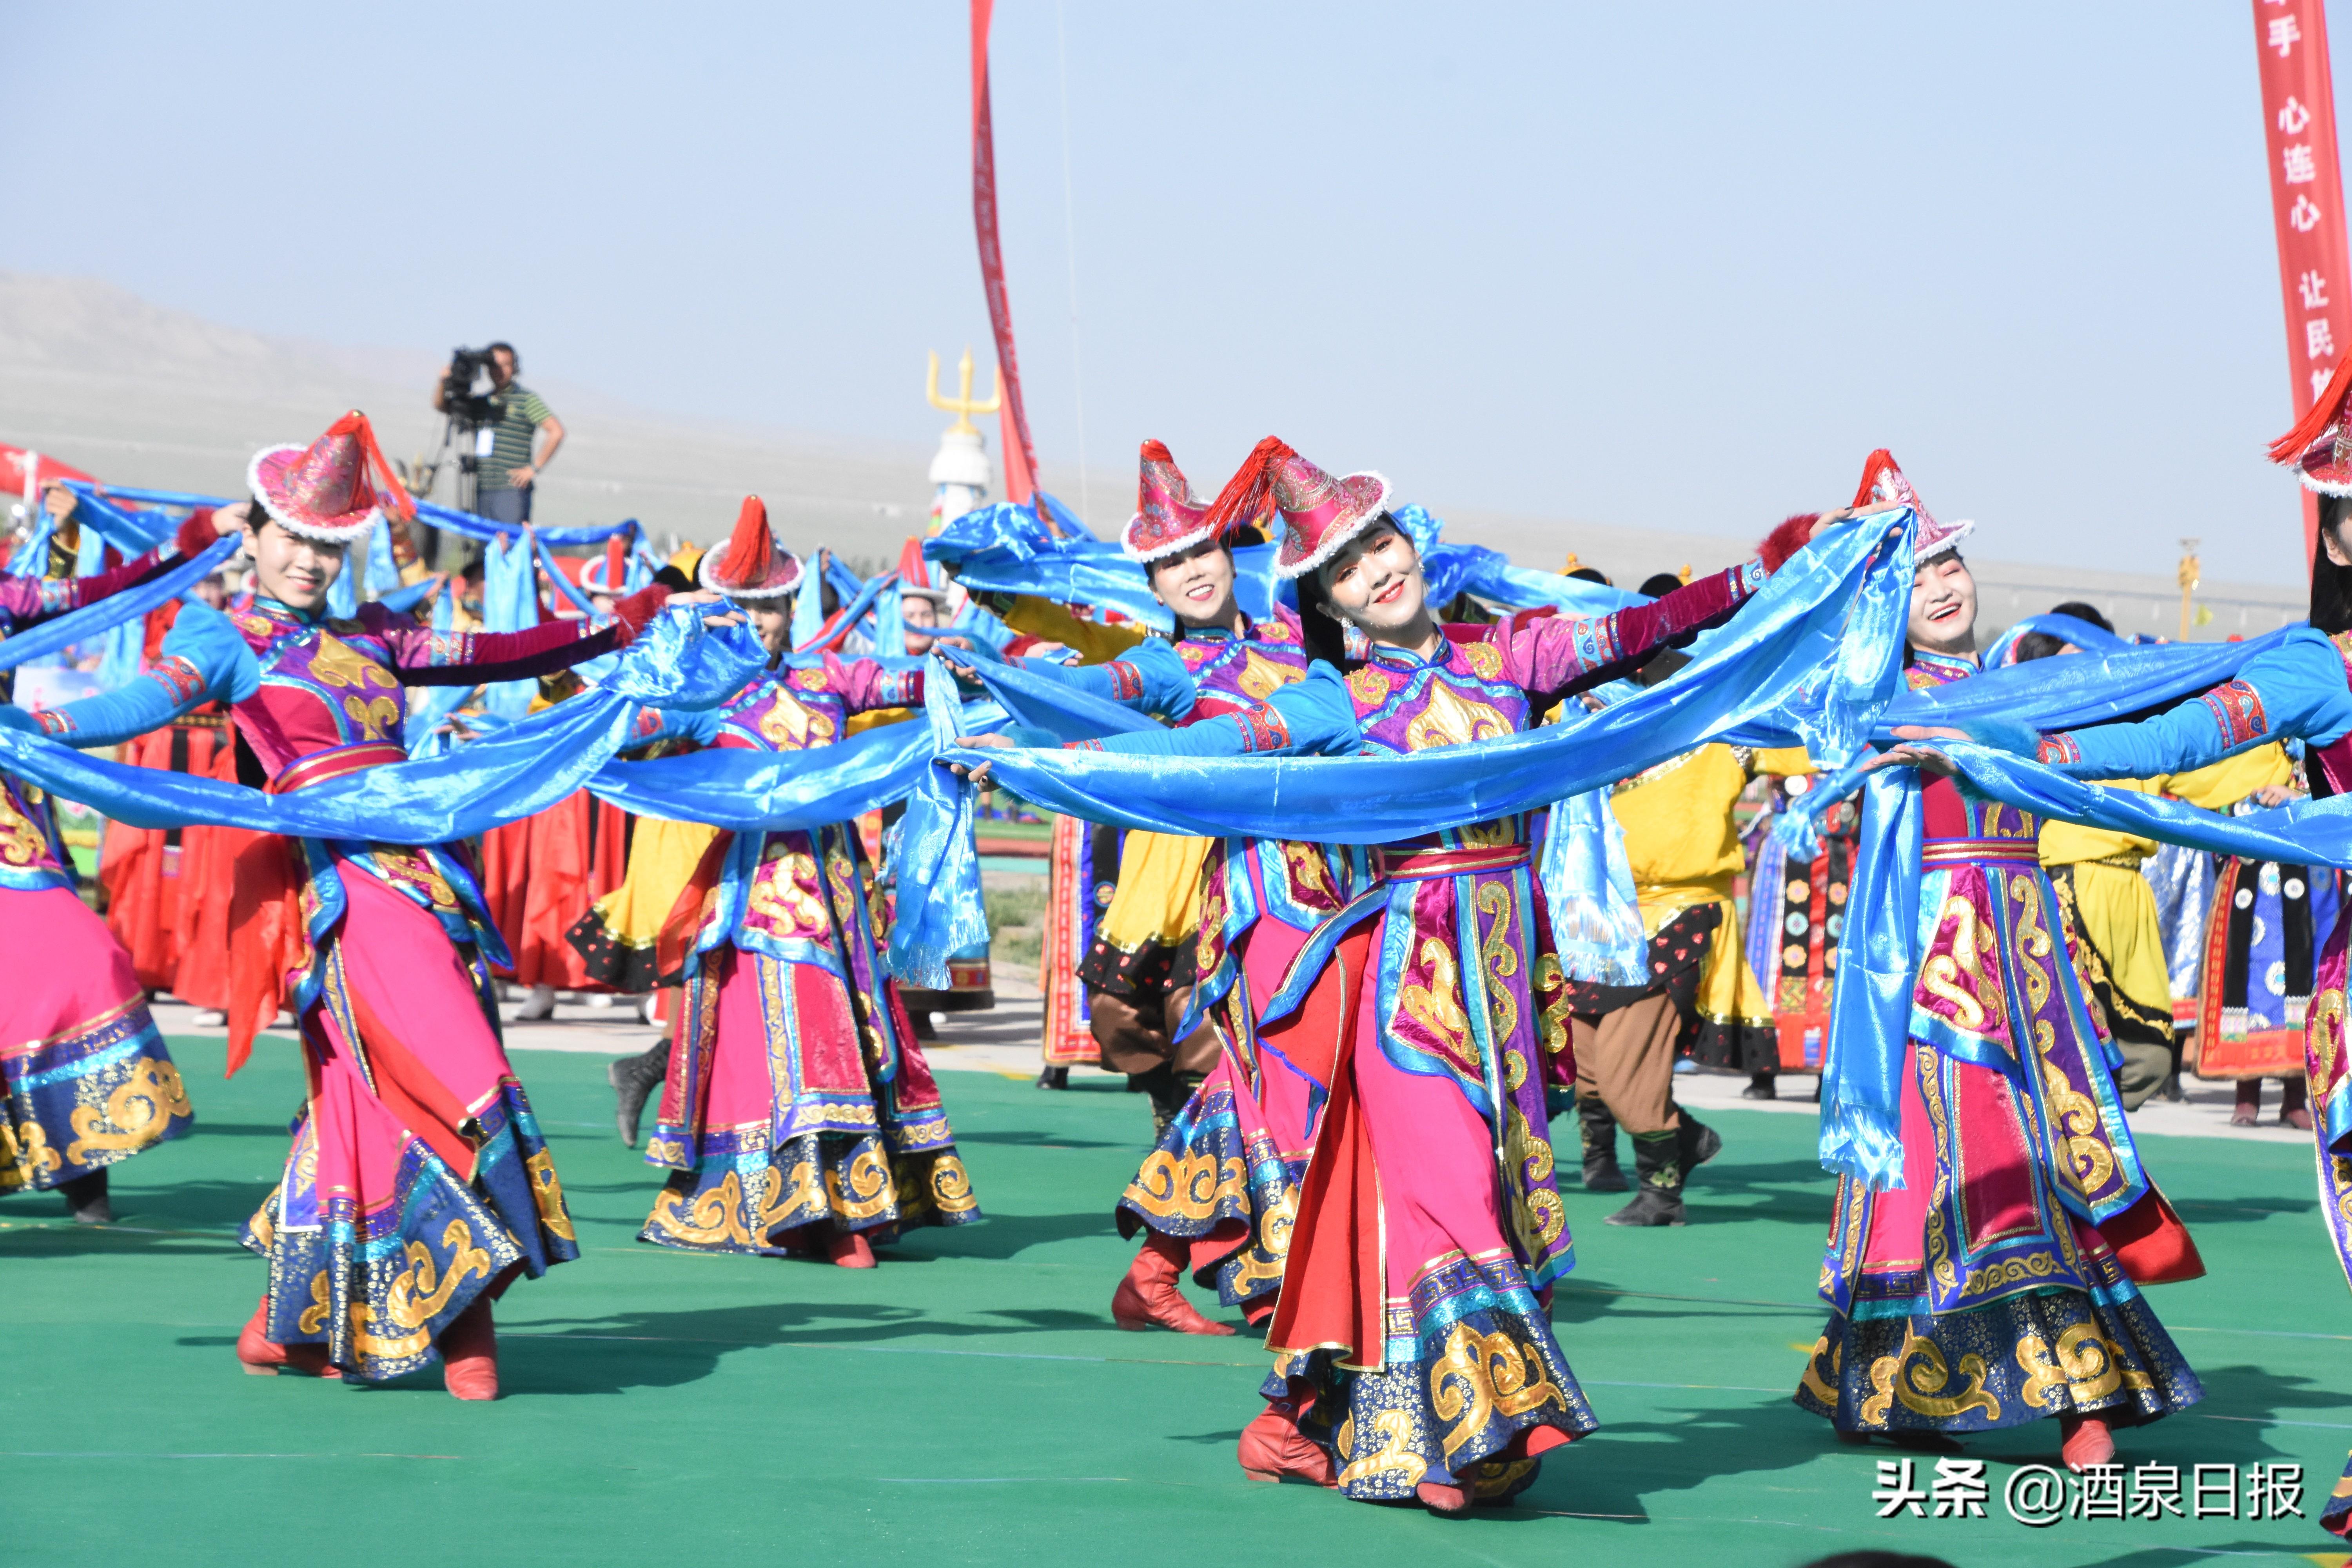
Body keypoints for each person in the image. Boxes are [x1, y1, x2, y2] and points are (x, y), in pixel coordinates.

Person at [955, 439, 1813, 1514]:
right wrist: (1031, 746)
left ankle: (1296, 1421)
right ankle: (1463, 1442)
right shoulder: (1334, 701)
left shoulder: (1510, 659)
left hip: (1506, 997)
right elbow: (1197, 755)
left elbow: (1638, 633)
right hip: (1409, 990)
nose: (1379, 568)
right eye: (1350, 566)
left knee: (1454, 1205)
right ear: (1331, 603)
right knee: (1453, 1209)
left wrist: (1761, 578)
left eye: (1385, 543)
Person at [5, 411, 686, 1396]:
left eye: (327, 545)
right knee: (460, 1071)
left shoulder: (376, 635)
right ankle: (461, 1325)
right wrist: (31, 727)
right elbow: (137, 706)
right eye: (291, 538)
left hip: (429, 882)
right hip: (341, 893)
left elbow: (498, 652)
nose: (309, 560)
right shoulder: (225, 634)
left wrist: (616, 623)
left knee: (363, 1100)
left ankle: (299, 1325)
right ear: (251, 535)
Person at [1798, 452, 2203, 1473]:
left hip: (2031, 965)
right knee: (1961, 1166)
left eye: (1949, 565)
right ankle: (2055, 1400)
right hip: (1924, 968)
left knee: (2054, 1154)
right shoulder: (1877, 701)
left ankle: (2046, 1385)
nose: (1941, 585)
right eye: (1916, 573)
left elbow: (2130, 712)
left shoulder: (2026, 684)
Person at [951, 439, 1340, 1336]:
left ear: (1229, 554)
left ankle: (1194, 1272)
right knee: (1253, 1083)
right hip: (1247, 902)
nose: (1190, 572)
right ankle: (1207, 1273)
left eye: (1199, 551)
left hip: (1333, 891)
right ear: (1154, 589)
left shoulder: (1301, 638)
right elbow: (1096, 690)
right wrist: (1008, 696)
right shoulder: (1170, 669)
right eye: (1167, 564)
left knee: (1273, 1085)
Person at [630, 497, 980, 1268]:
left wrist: (969, 672)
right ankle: (779, 1203)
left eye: (774, 608)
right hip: (753, 902)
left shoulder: (831, 675)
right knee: (780, 1050)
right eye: (747, 608)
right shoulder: (707, 692)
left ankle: (841, 1202)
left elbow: (906, 681)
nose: (761, 623)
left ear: (794, 606)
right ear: (729, 609)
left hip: (836, 899)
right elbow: (633, 725)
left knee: (844, 1040)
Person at [0, 502, 227, 1220]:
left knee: (81, 957)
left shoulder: (13, 597)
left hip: (8, 824)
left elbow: (128, 585)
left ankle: (84, 1174)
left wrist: (203, 533)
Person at [1561, 574, 1798, 1223]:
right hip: (1601, 917)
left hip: (1682, 911)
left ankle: (1663, 1191)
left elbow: (1802, 737)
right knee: (1590, 1061)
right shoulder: (1594, 717)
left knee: (1626, 1064)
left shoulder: (1720, 718)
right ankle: (1680, 1141)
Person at [2014, 602, 2298, 1113]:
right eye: (2073, 657)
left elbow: (2210, 774)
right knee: (2067, 1046)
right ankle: (2062, 1157)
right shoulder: (2035, 727)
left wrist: (2283, 752)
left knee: (2148, 1058)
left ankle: (2083, 1146)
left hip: (2130, 897)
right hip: (2066, 888)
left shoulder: (2140, 729)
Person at [434, 342, 563, 528]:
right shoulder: (482, 403)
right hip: (482, 487)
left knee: (510, 544)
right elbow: (443, 406)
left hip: (511, 489)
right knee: (487, 549)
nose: (500, 371)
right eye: (495, 365)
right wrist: (443, 382)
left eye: (506, 365)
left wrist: (533, 469)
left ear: (515, 367)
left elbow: (556, 432)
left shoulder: (525, 399)